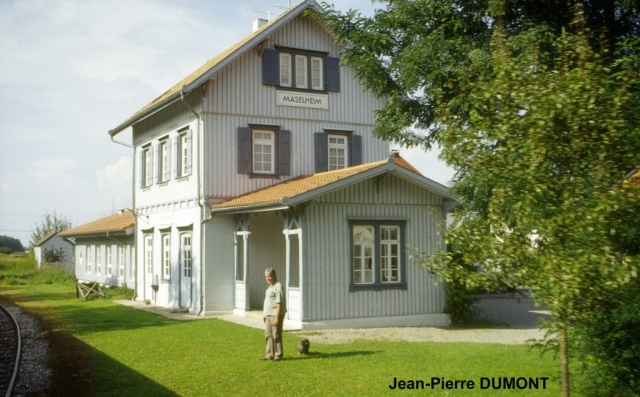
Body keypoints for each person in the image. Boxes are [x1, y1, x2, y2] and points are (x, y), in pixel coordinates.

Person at [262, 268, 286, 361]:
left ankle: (278, 355)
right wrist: (265, 314)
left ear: (274, 276)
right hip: (268, 315)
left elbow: (279, 303)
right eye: (266, 276)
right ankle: (269, 354)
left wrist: (276, 318)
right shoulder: (270, 287)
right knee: (268, 335)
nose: (268, 278)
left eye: (270, 276)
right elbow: (268, 302)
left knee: (276, 335)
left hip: (275, 315)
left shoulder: (278, 286)